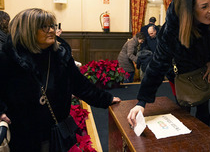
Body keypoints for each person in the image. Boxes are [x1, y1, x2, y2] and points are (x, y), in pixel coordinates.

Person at [0, 8, 121, 151]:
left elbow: (81, 85)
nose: (51, 30)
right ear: (27, 30)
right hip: (25, 136)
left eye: (52, 25)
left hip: (56, 132)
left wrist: (107, 99)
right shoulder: (8, 58)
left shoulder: (60, 56)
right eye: (44, 27)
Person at [127, 0, 210, 127]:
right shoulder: (172, 29)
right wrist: (142, 102)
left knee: (203, 109)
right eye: (204, 6)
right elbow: (158, 64)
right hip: (179, 73)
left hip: (203, 70)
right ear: (190, 10)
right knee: (182, 111)